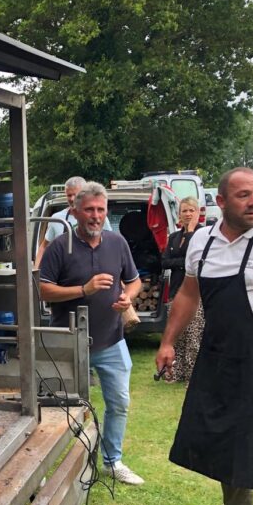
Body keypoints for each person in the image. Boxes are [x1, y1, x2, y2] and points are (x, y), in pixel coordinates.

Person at [156, 167, 253, 505]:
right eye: (244, 195)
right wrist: (167, 342)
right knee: (227, 443)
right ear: (221, 202)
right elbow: (188, 293)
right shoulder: (203, 240)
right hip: (220, 356)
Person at [39, 182, 144, 484]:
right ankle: (58, 469)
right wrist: (82, 290)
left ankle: (112, 461)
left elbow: (134, 281)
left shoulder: (117, 243)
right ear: (74, 212)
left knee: (119, 402)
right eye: (89, 210)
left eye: (100, 210)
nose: (95, 216)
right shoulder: (61, 246)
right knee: (64, 409)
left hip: (111, 340)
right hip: (69, 342)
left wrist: (129, 297)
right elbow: (42, 290)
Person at [161, 197, 204, 382]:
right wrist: (184, 262)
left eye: (191, 211)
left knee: (194, 337)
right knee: (176, 336)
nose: (187, 214)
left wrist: (192, 232)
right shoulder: (173, 237)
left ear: (198, 213)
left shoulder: (203, 235)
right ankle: (174, 373)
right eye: (184, 211)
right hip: (175, 291)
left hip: (196, 293)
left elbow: (196, 258)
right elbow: (164, 261)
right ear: (179, 214)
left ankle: (192, 375)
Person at [34, 176, 111, 267]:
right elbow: (44, 247)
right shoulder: (57, 218)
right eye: (69, 195)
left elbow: (110, 245)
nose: (72, 198)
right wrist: (36, 271)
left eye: (75, 194)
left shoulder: (97, 218)